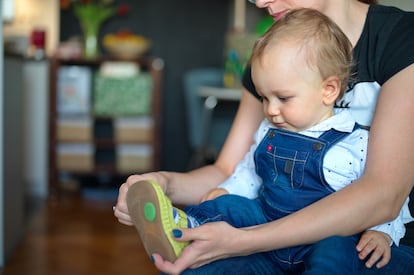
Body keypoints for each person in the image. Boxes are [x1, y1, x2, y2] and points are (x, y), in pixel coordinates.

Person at [114, 0, 414, 274]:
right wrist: (162, 184)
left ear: (330, 88)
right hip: (268, 232)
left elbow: (384, 195)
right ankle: (184, 229)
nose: (258, 2)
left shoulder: (401, 38)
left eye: (283, 97)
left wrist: (243, 240)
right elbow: (228, 171)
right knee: (196, 264)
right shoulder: (270, 60)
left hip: (367, 244)